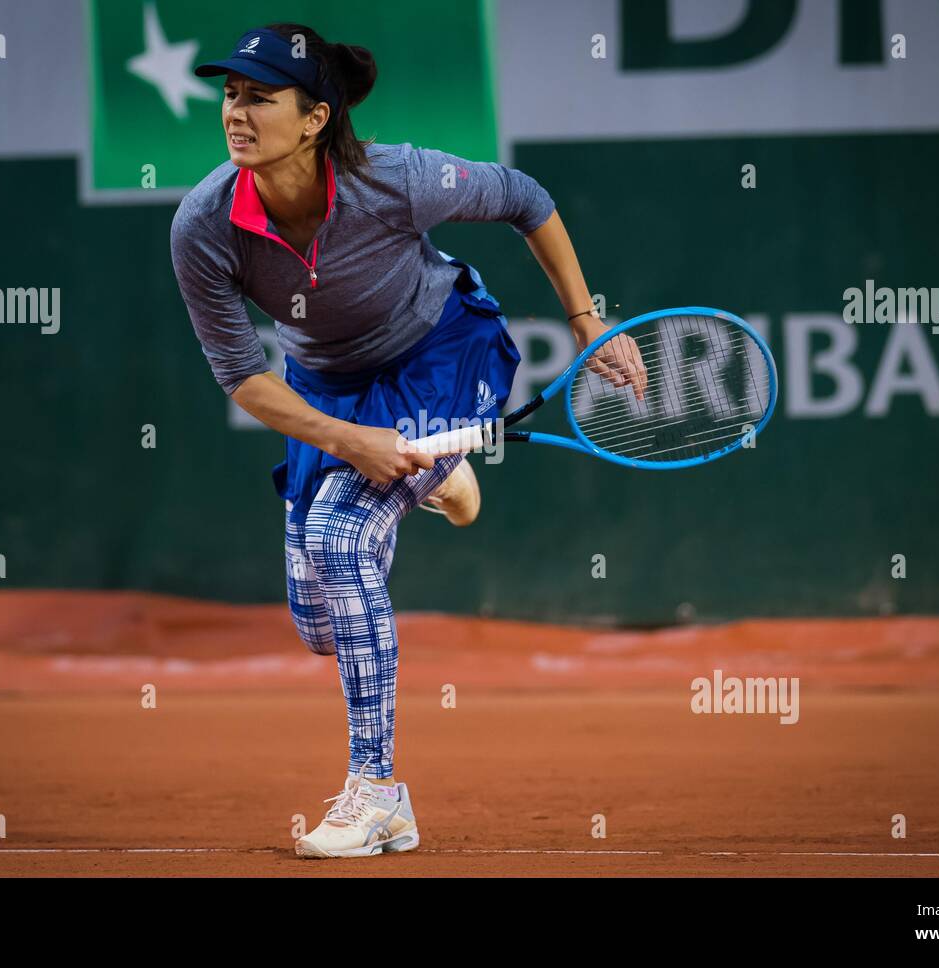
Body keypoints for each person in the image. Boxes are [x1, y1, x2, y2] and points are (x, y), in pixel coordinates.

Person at [170, 23, 644, 858]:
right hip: (326, 389)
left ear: (315, 118)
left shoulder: (396, 180)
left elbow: (524, 197)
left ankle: (379, 792)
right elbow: (244, 379)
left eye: (260, 98)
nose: (236, 113)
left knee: (340, 539)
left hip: (438, 355)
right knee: (317, 624)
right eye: (230, 95)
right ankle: (443, 482)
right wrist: (353, 439)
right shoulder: (204, 227)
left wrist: (584, 319)